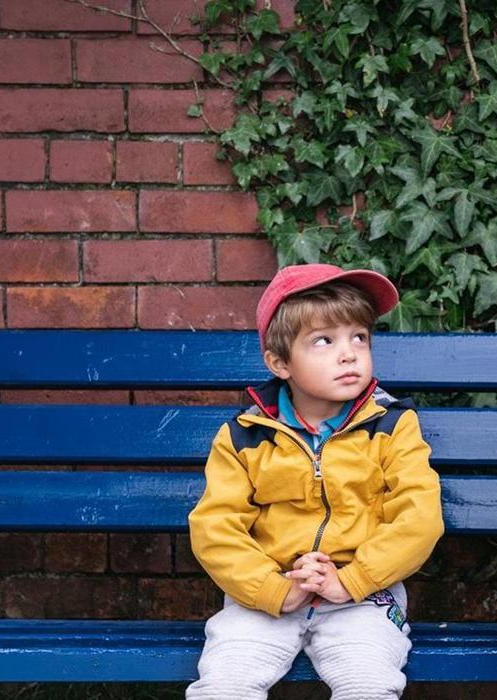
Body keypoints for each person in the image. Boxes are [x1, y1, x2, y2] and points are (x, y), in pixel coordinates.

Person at [186, 263, 444, 700]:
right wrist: (273, 589)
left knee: (368, 685)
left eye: (358, 337)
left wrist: (351, 580)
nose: (349, 354)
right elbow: (215, 528)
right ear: (279, 362)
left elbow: (418, 519)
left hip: (364, 597)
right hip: (268, 595)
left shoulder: (392, 427)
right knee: (225, 684)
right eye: (324, 340)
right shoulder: (245, 437)